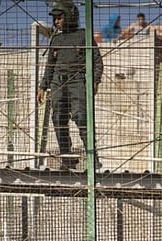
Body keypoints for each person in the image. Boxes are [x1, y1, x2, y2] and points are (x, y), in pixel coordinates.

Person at [37, 1, 104, 171]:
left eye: (60, 17)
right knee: (58, 118)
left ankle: (92, 157)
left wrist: (95, 81)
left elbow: (97, 60)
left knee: (81, 117)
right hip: (58, 82)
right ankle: (66, 158)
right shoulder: (56, 38)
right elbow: (50, 65)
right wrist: (43, 87)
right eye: (55, 18)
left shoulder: (83, 36)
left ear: (70, 16)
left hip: (77, 80)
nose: (56, 21)